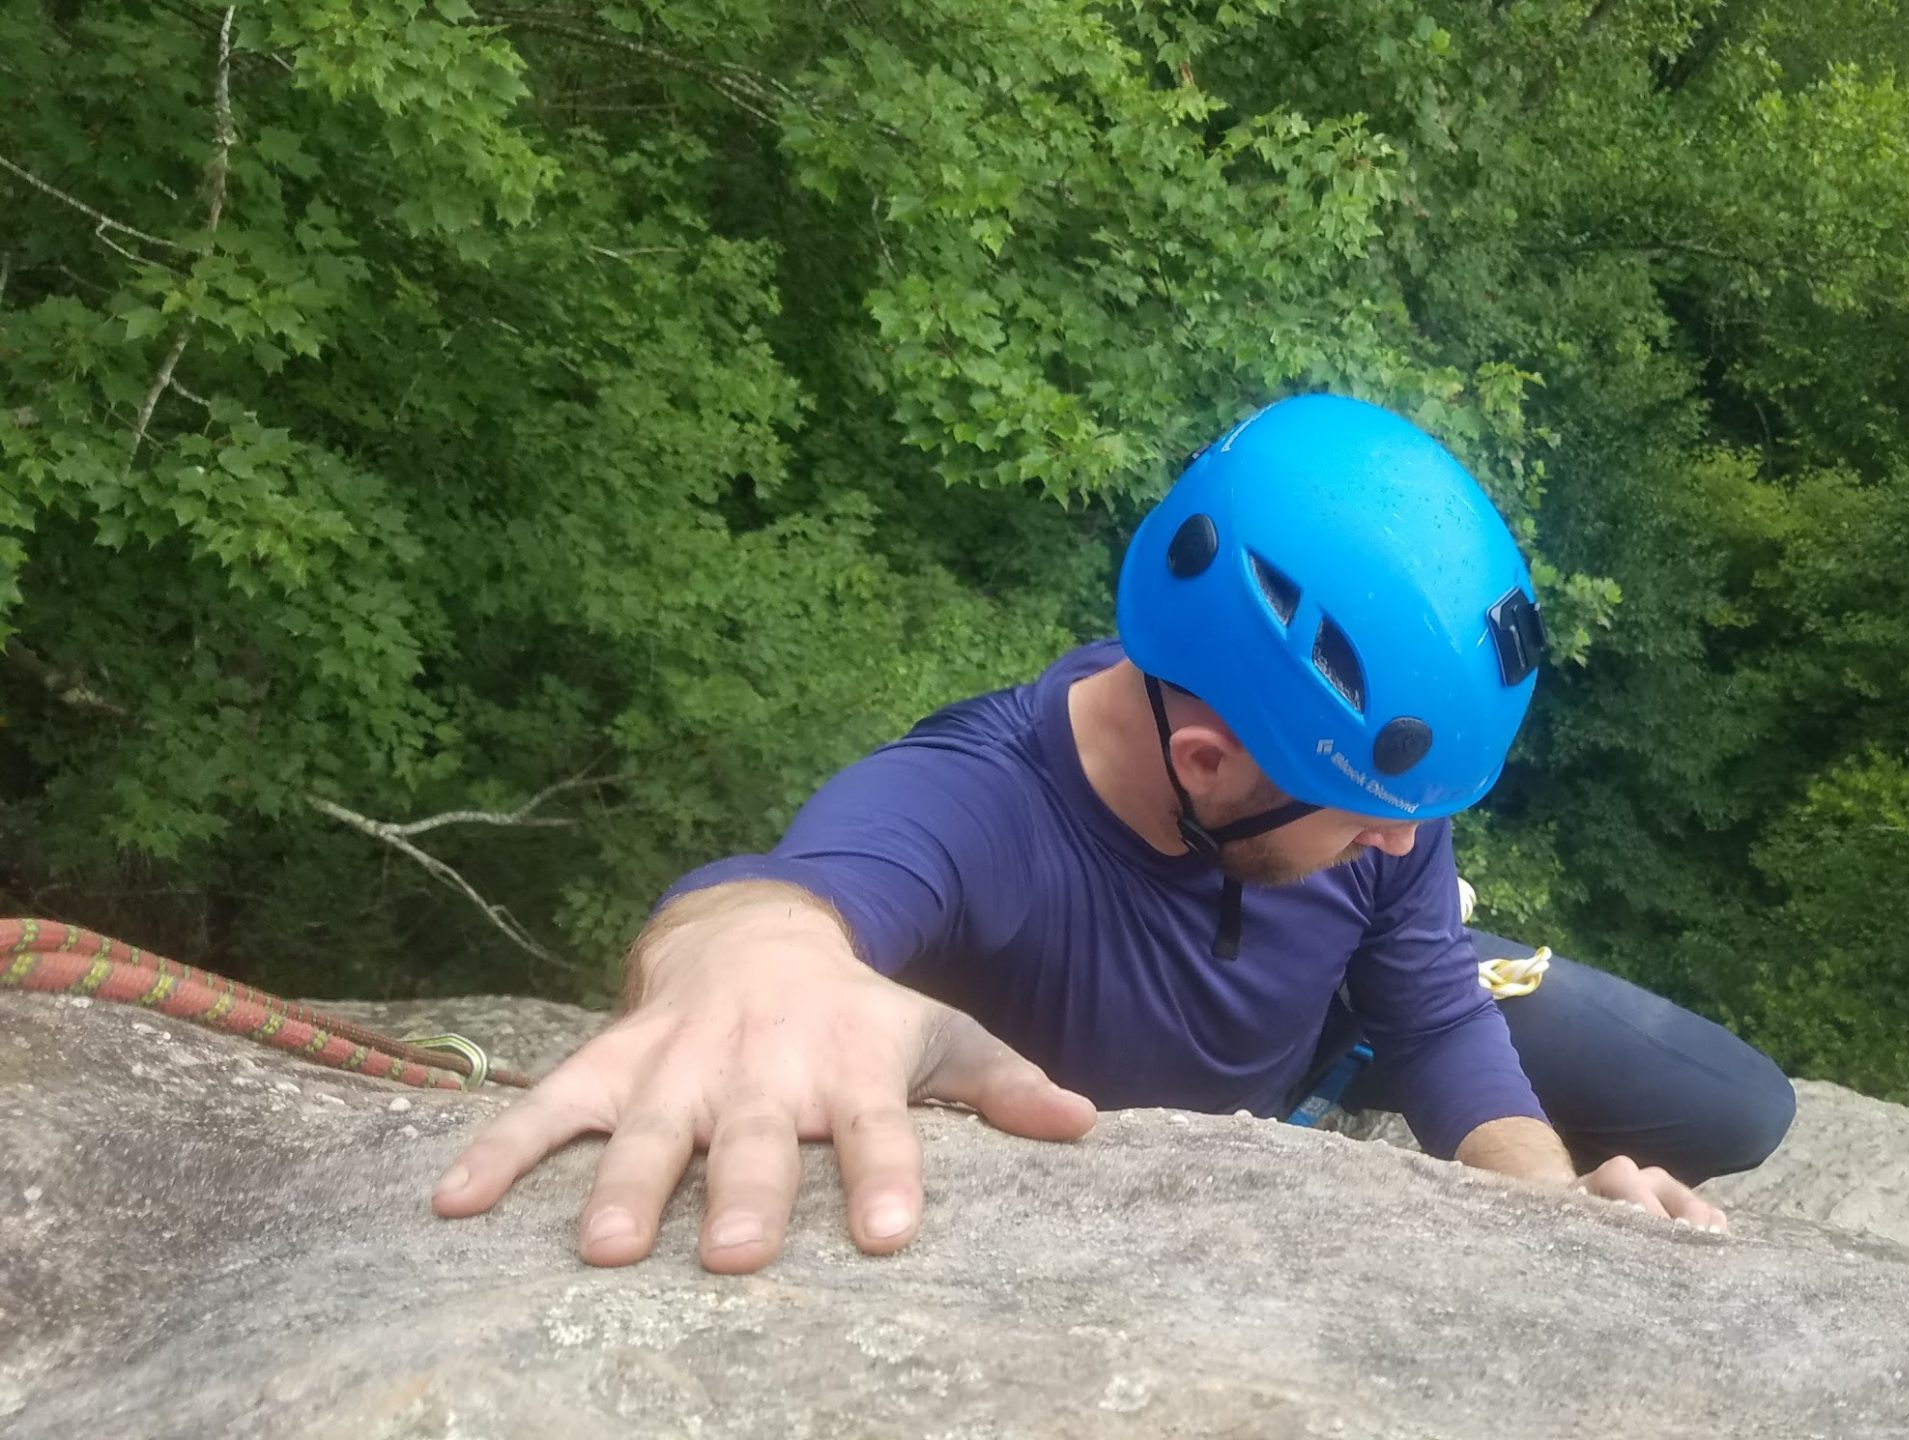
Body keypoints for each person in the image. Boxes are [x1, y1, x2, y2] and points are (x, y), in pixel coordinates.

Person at [431, 394, 1795, 1273]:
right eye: (1383, 820)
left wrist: (1555, 1221)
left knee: (1736, 1108)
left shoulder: (1339, 791)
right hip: (1194, 1055)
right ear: (1209, 761)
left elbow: (1436, 1020)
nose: (1407, 845)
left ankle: (1323, 1068)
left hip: (1333, 1023)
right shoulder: (986, 809)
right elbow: (785, 906)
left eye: (1417, 825)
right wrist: (745, 967)